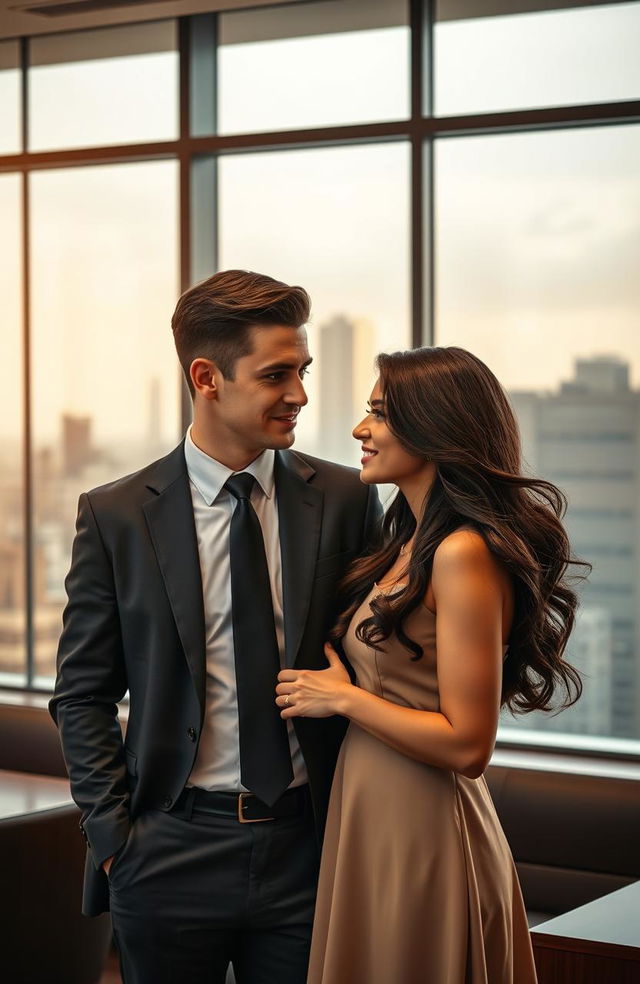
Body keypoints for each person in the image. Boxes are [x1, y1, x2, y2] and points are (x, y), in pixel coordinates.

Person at [50, 269, 381, 984]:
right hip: (167, 850)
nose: (298, 393)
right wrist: (118, 844)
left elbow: (381, 661)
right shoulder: (116, 516)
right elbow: (81, 693)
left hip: (310, 846)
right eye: (276, 374)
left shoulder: (348, 501)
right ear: (207, 377)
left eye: (303, 371)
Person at [276, 346, 587, 984]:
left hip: (423, 828)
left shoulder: (462, 553)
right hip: (373, 814)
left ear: (435, 427)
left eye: (379, 414)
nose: (361, 430)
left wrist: (344, 699)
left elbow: (469, 744)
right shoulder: (407, 541)